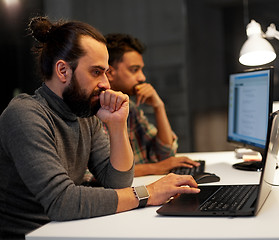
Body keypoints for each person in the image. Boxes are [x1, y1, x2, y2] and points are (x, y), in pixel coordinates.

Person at [0, 17, 200, 240]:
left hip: (66, 229)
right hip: (32, 234)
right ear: (63, 71)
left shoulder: (84, 113)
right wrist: (149, 192)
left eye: (105, 72)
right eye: (96, 72)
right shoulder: (25, 114)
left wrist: (117, 125)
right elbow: (61, 202)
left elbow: (117, 182)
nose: (106, 83)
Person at [105, 33, 199, 176]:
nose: (142, 77)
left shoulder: (131, 108)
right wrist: (155, 168)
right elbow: (98, 173)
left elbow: (165, 154)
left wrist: (158, 107)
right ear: (110, 72)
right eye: (134, 70)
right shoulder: (94, 115)